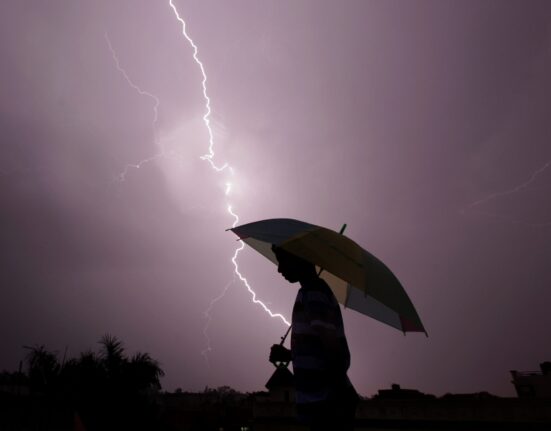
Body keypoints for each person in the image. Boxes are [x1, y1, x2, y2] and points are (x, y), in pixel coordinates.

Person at [269, 246, 358, 431]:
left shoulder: (314, 293)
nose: (279, 269)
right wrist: (289, 354)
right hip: (321, 406)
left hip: (327, 407)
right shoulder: (307, 292)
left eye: (282, 261)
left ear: (299, 259)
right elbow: (317, 349)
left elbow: (331, 348)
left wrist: (337, 398)